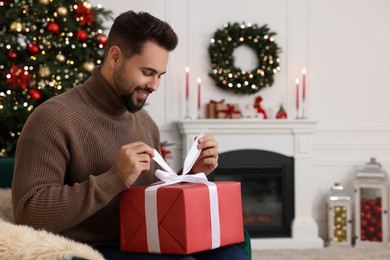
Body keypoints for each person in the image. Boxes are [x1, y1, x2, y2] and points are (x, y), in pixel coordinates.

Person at [12, 10, 247, 260]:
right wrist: (115, 177)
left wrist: (190, 175)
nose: (155, 85)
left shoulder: (145, 123)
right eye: (147, 72)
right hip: (90, 250)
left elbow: (152, 200)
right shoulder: (52, 118)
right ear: (115, 57)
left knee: (232, 255)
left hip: (146, 241)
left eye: (160, 76)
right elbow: (29, 212)